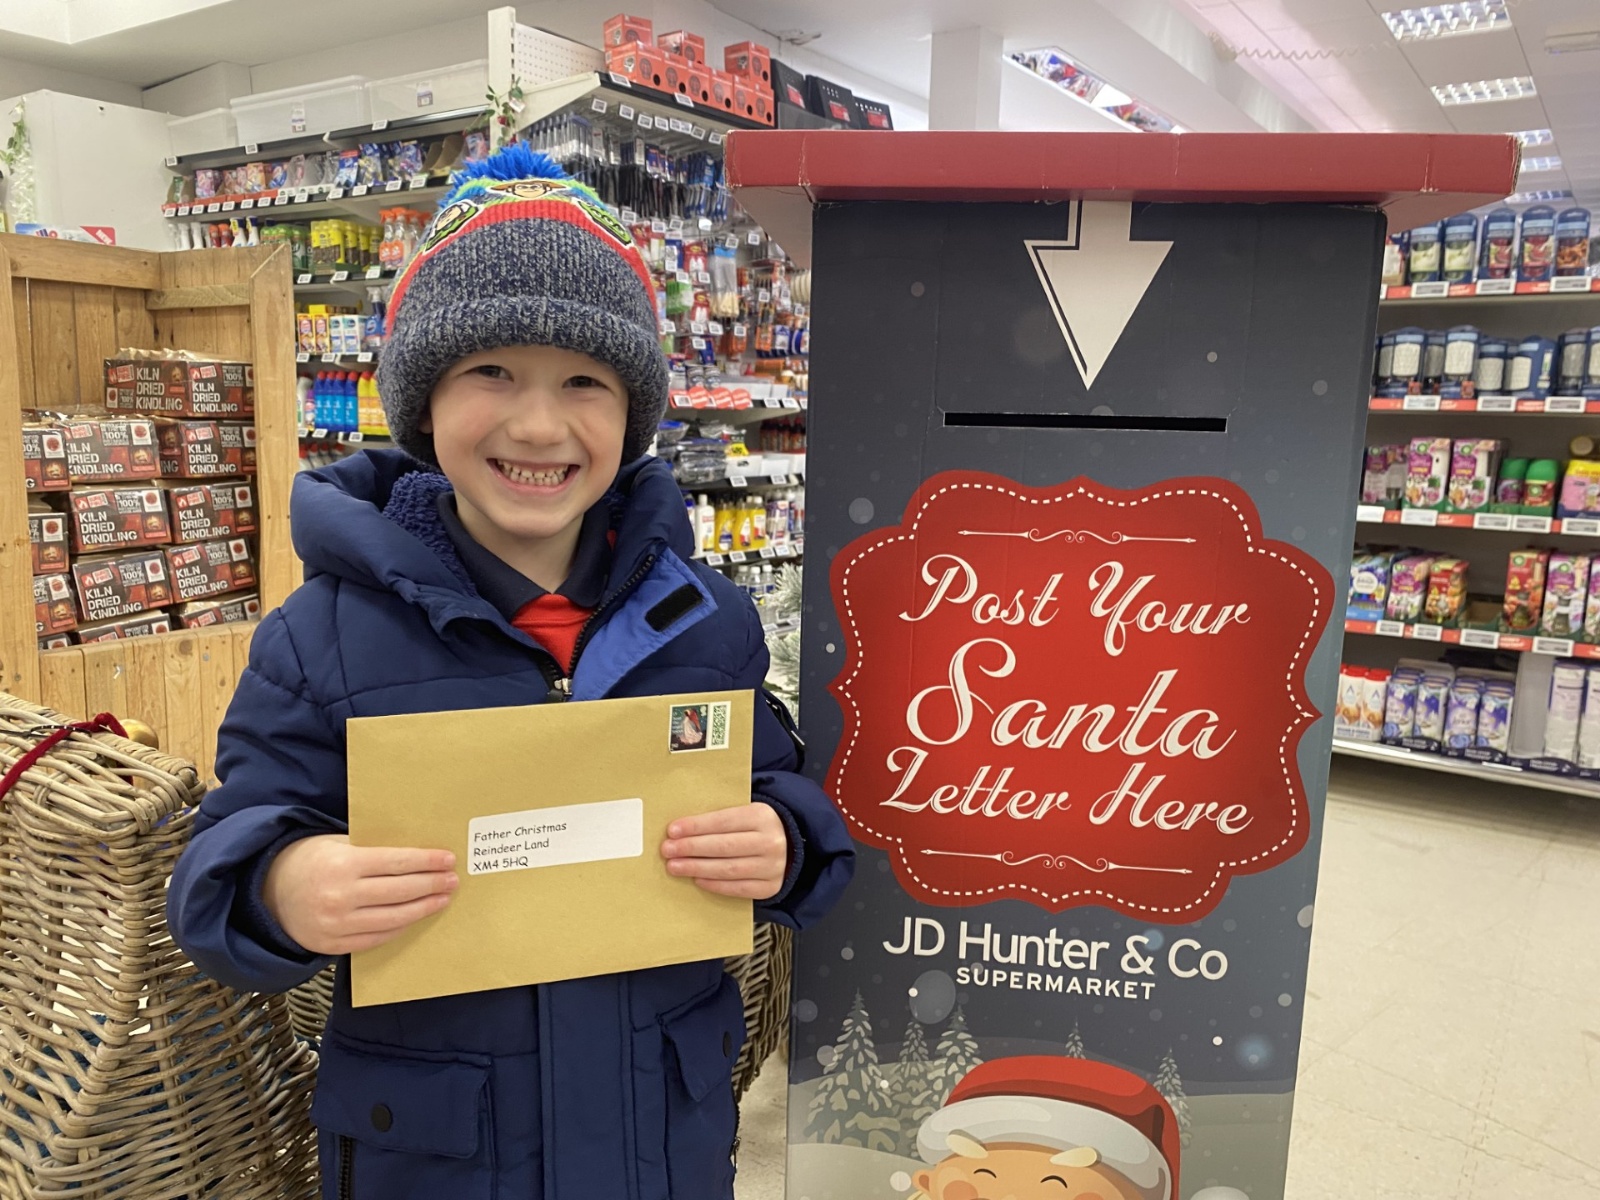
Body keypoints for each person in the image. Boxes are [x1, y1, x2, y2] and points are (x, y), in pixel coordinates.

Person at [167, 144, 854, 1200]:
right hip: (435, 1154)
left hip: (659, 1144)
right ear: (421, 399)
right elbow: (218, 868)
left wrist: (784, 842)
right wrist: (283, 888)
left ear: (632, 415)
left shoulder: (704, 625)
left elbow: (781, 792)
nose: (538, 424)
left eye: (584, 381)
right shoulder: (323, 638)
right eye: (491, 372)